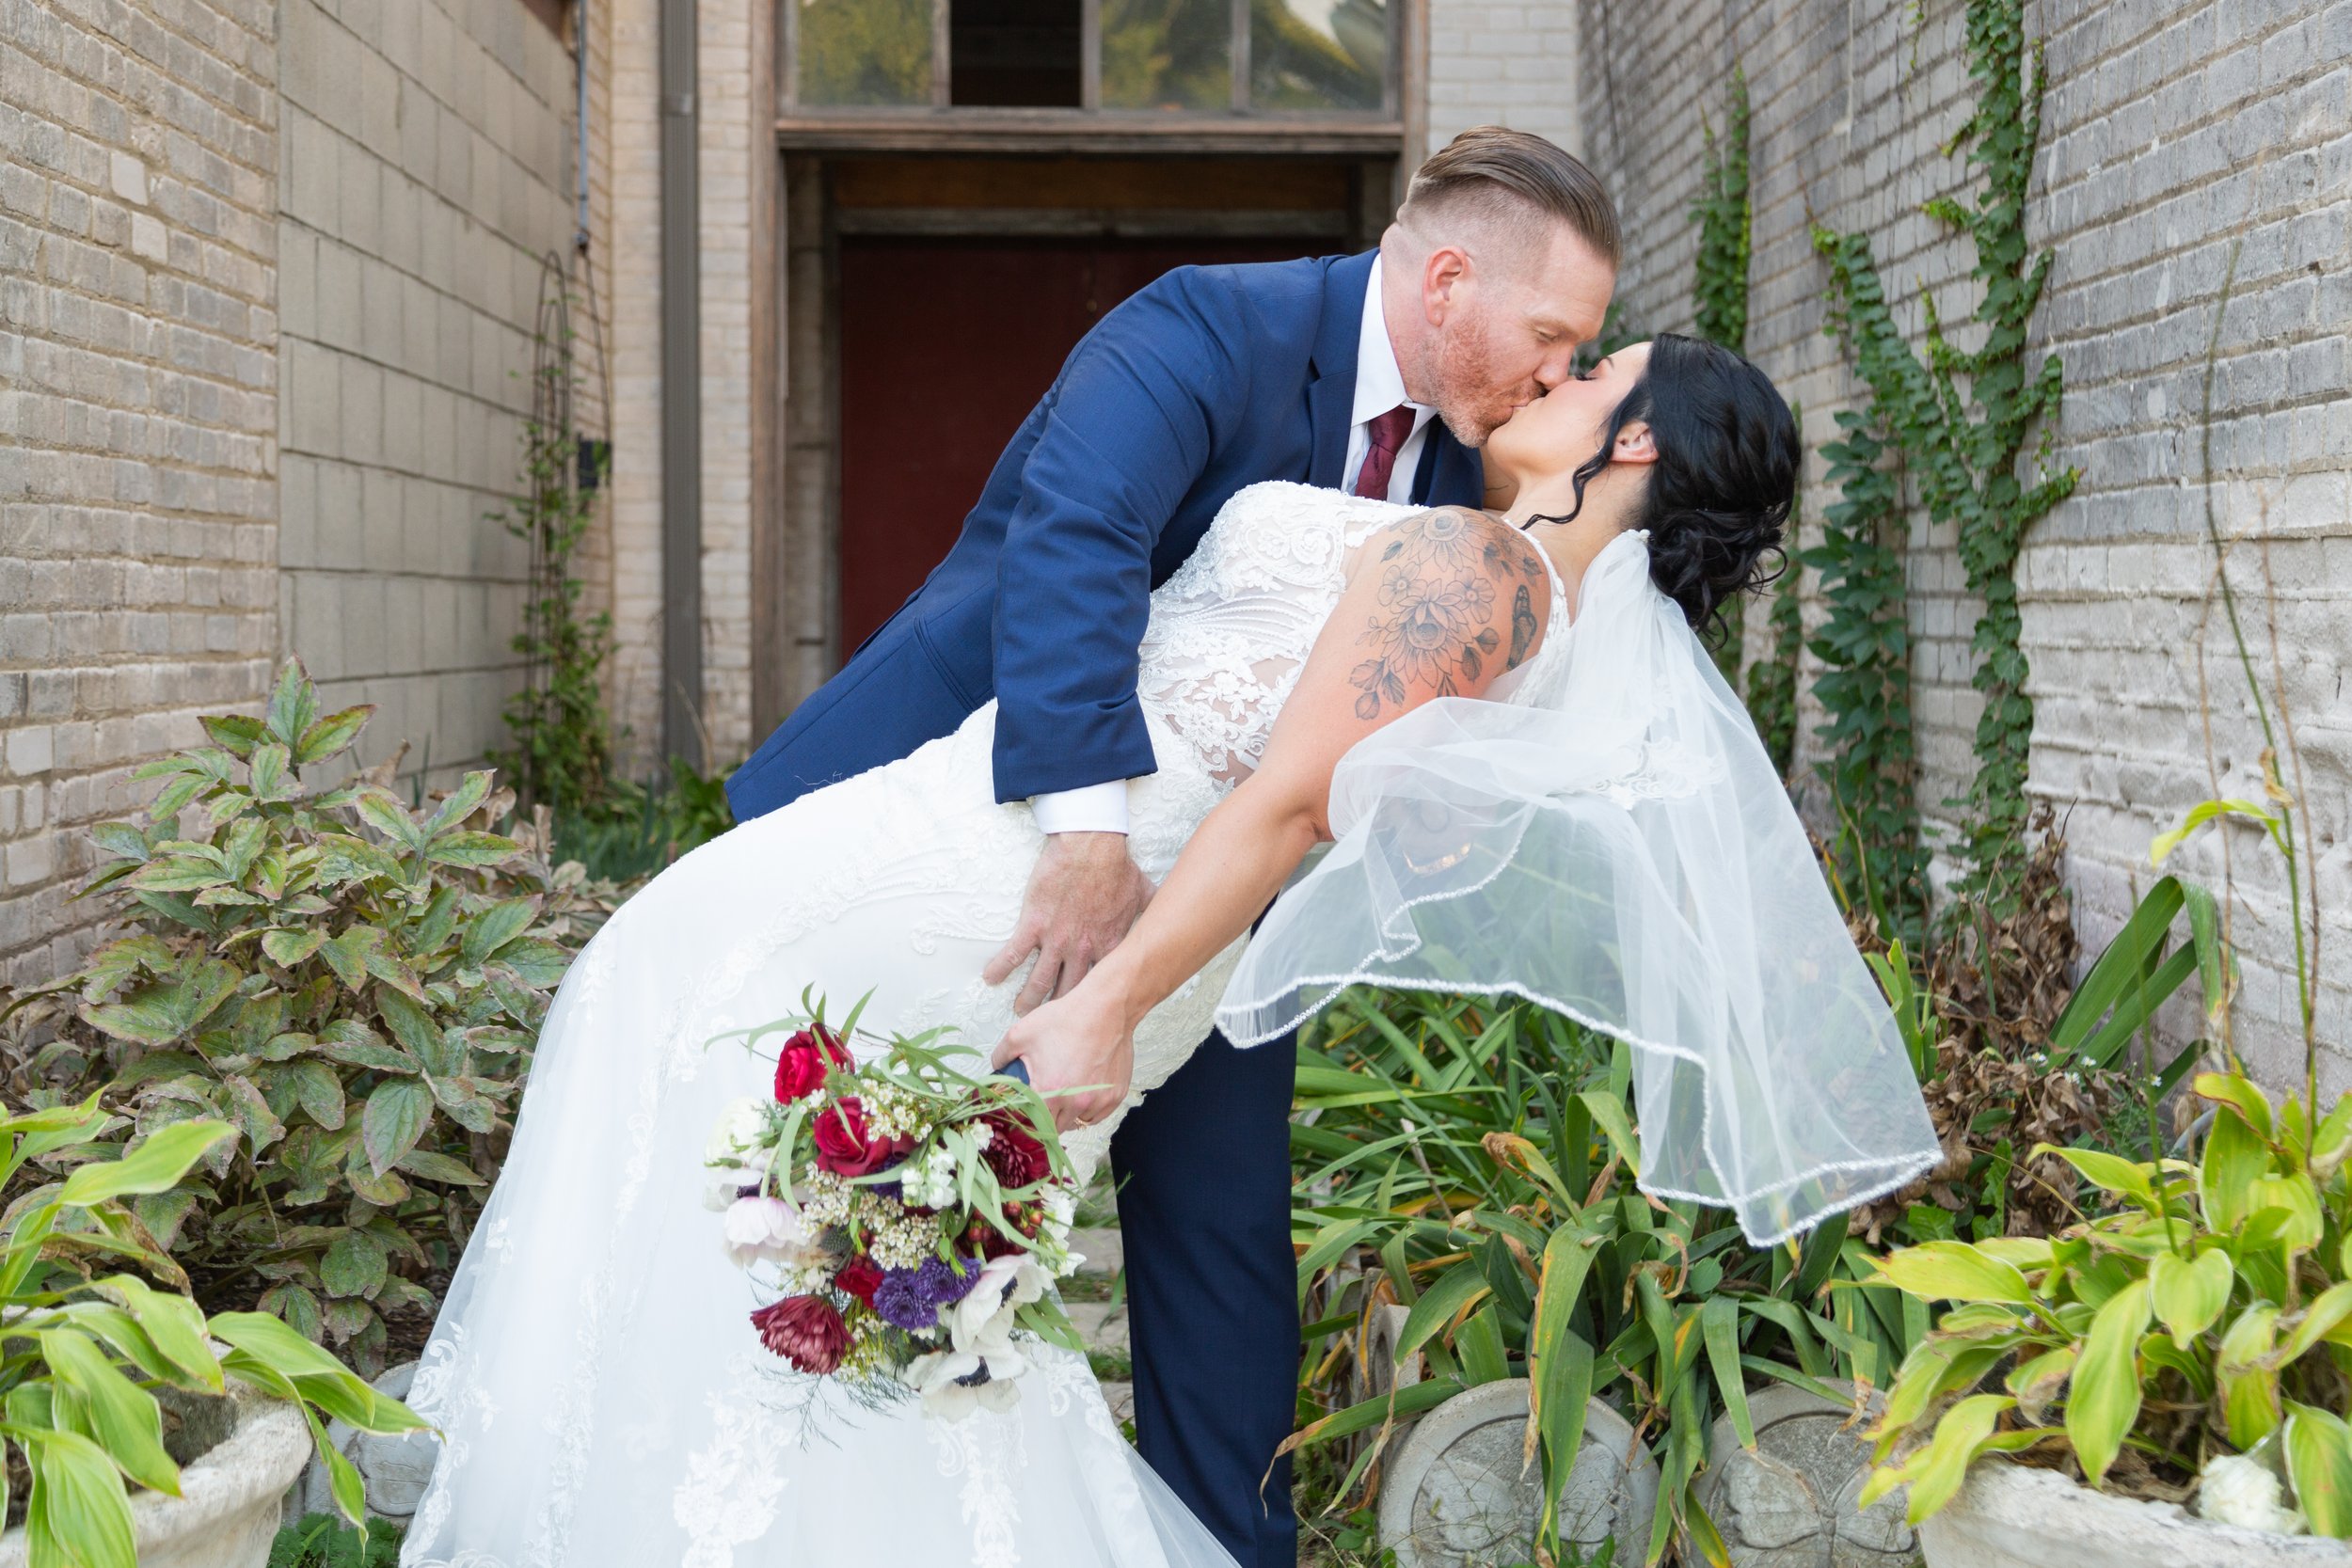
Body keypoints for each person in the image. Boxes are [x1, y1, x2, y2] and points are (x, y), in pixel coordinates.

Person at [399, 331, 1941, 1566]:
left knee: (725, 1097)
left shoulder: (1482, 577)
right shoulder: (1514, 594)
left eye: (1597, 374)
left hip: (1017, 916)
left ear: (1642, 443)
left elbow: (1282, 810)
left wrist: (1108, 1007)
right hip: (1005, 874)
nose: (1559, 375)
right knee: (829, 1235)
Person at [725, 126, 1615, 1568]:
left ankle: (1227, 1548)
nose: (1559, 374)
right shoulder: (1210, 324)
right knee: (816, 1194)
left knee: (1223, 1247)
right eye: (1554, 335)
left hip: (1218, 907)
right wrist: (1086, 839)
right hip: (979, 823)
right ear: (1450, 278)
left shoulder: (1472, 477)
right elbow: (1077, 542)